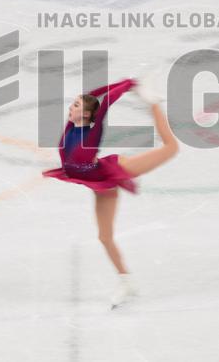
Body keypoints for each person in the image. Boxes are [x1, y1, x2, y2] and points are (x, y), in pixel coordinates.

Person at [42, 78, 180, 308]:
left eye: (75, 106)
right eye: (73, 104)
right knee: (104, 237)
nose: (70, 107)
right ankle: (127, 282)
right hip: (100, 185)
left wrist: (130, 85)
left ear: (86, 115)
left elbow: (105, 102)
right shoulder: (69, 128)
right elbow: (92, 95)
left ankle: (154, 103)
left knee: (171, 148)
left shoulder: (92, 132)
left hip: (114, 170)